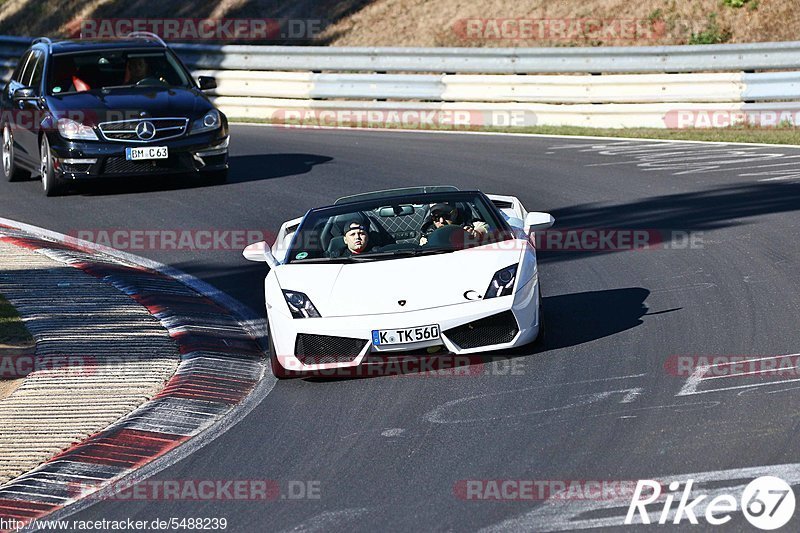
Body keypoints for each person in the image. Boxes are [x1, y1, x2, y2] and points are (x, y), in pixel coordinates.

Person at [420, 203, 488, 245]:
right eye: (436, 217)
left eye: (446, 216)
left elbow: (489, 228)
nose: (441, 221)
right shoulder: (426, 232)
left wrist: (477, 234)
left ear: (455, 214)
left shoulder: (469, 224)